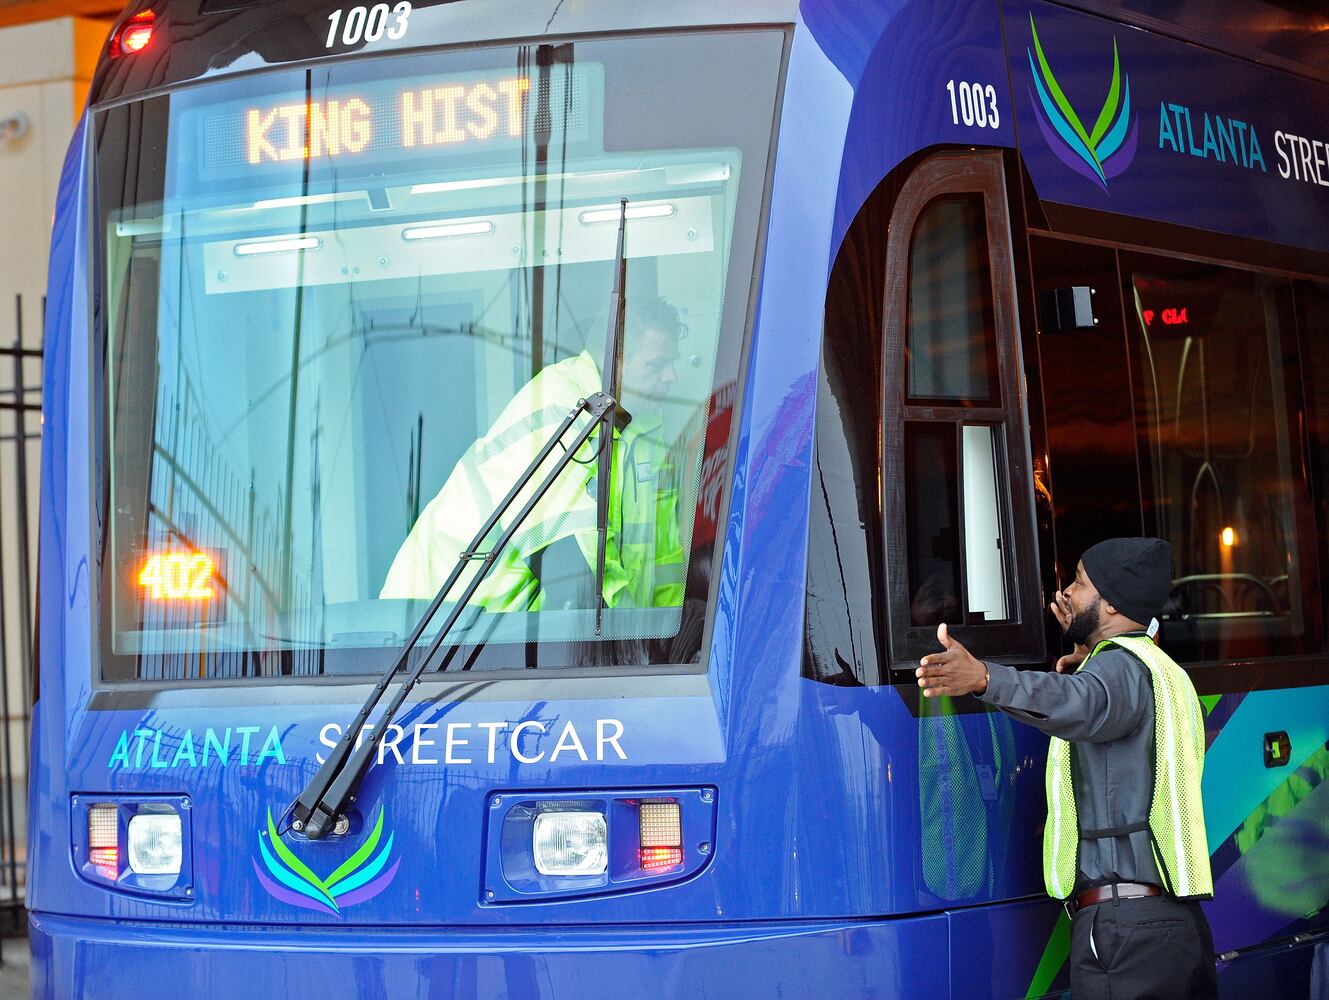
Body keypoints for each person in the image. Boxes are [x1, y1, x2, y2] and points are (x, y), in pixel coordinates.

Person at [915, 537, 1217, 1000]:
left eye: (1078, 582)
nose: (1065, 594)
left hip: (1125, 932)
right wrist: (1090, 655)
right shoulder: (1162, 670)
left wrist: (984, 678)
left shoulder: (1119, 672)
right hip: (1174, 924)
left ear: (1111, 603)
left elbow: (1080, 702)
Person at [380, 295, 687, 614]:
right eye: (657, 364)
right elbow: (571, 574)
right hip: (438, 617)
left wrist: (664, 629)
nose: (672, 377)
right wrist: (630, 642)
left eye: (672, 362)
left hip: (506, 628)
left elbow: (660, 555)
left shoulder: (644, 423)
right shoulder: (557, 406)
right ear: (615, 361)